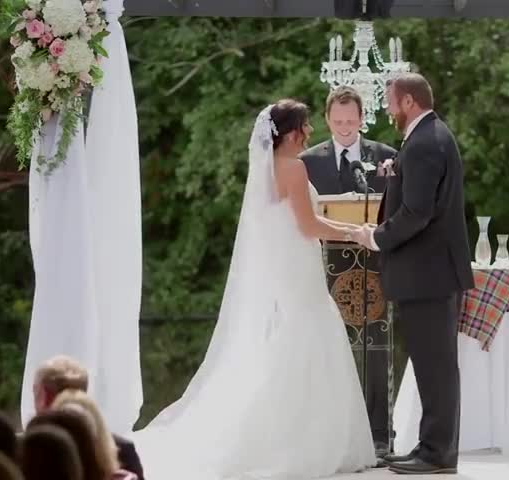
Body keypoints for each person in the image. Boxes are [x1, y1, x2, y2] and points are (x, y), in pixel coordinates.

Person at [132, 99, 377, 479]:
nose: (309, 133)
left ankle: (292, 431)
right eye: (305, 127)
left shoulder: (263, 170)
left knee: (293, 341)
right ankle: (305, 439)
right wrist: (356, 234)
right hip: (298, 268)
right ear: (291, 132)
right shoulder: (293, 168)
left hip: (286, 267)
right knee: (310, 337)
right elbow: (309, 227)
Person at [352, 72, 474, 475]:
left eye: (391, 102)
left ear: (408, 102)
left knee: (436, 367)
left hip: (428, 274)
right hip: (431, 273)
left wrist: (376, 238)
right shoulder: (428, 138)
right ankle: (430, 446)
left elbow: (418, 212)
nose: (388, 110)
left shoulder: (424, 143)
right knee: (431, 365)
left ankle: (438, 453)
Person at [300, 86, 398, 455]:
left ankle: (379, 434)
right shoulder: (308, 162)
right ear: (327, 119)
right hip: (326, 270)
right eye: (337, 121)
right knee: (329, 350)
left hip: (376, 268)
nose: (344, 127)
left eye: (351, 121)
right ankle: (333, 433)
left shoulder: (386, 157)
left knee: (377, 349)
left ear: (361, 119)